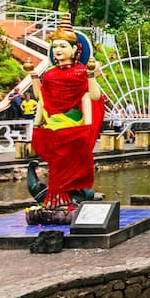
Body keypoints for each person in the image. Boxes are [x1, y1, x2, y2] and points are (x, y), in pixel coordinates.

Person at [27, 13, 105, 208]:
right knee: (56, 166)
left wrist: (90, 75)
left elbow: (92, 97)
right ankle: (57, 200)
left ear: (74, 49)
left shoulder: (81, 72)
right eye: (55, 46)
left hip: (75, 126)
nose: (58, 50)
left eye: (63, 46)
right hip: (53, 126)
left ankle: (68, 198)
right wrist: (36, 126)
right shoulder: (51, 74)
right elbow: (43, 99)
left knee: (72, 167)